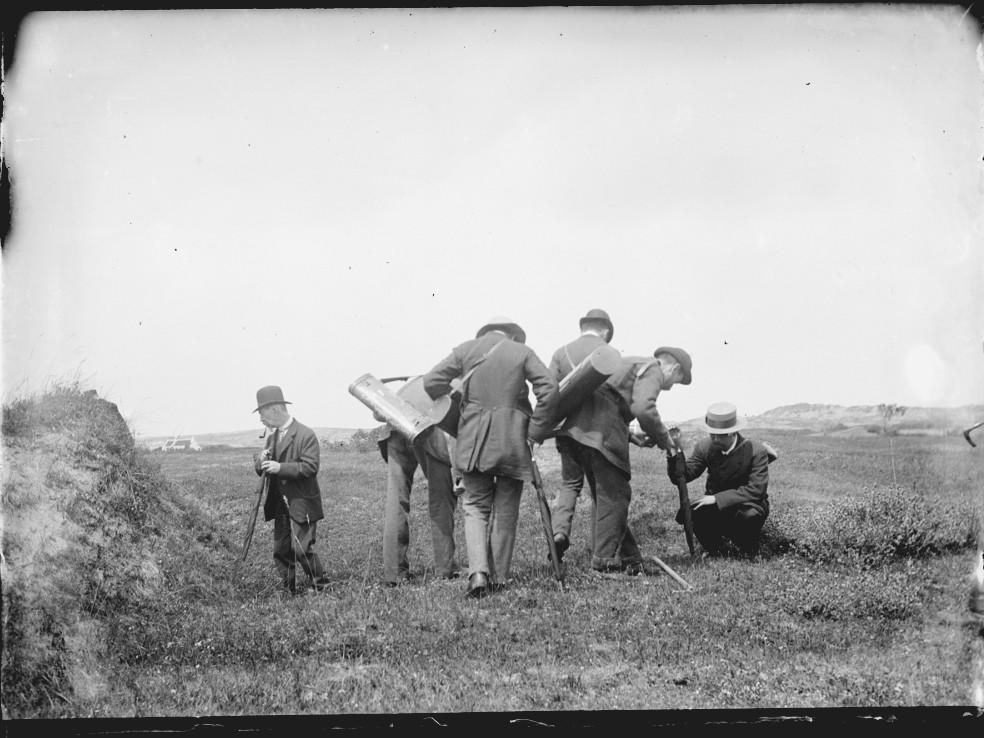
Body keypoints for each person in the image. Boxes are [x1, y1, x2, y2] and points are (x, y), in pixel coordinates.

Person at [421, 316, 559, 598]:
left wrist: (457, 404)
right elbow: (549, 388)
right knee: (507, 508)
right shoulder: (522, 352)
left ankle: (478, 574)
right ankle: (500, 578)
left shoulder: (465, 350)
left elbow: (431, 382)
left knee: (474, 507)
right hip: (513, 440)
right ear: (512, 335)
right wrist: (535, 429)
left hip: (473, 441)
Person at [548, 346, 693, 576]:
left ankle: (631, 559)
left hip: (578, 430)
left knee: (608, 496)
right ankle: (604, 565)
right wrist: (665, 439)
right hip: (602, 433)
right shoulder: (653, 368)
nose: (671, 386)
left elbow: (608, 399)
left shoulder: (631, 363)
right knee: (616, 497)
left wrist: (632, 437)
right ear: (674, 368)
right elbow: (643, 409)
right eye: (676, 381)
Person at [545, 308, 616, 565]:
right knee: (602, 490)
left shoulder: (560, 353)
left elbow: (548, 392)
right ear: (606, 330)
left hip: (567, 433)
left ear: (582, 327)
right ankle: (601, 548)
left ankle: (560, 531)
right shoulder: (610, 354)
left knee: (570, 484)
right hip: (599, 434)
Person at [252, 385, 331, 594]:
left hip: (301, 501)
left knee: (301, 548)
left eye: (263, 415)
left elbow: (310, 467)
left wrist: (280, 468)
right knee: (281, 549)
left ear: (276, 410)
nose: (262, 421)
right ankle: (289, 588)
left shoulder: (305, 434)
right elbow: (261, 469)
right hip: (280, 503)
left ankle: (320, 584)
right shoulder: (271, 437)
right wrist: (261, 461)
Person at [668, 401, 770, 558]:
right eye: (711, 433)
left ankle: (748, 550)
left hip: (747, 504)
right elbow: (684, 475)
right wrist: (674, 454)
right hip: (717, 507)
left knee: (750, 517)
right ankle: (716, 550)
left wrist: (716, 498)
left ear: (732, 433)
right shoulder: (705, 446)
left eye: (719, 435)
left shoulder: (756, 451)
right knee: (692, 513)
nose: (714, 438)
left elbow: (756, 490)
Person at [377, 417, 461, 586]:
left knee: (396, 500)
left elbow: (378, 414)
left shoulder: (406, 390)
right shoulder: (441, 390)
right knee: (441, 500)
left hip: (396, 426)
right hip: (430, 429)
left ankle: (394, 573)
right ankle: (445, 568)